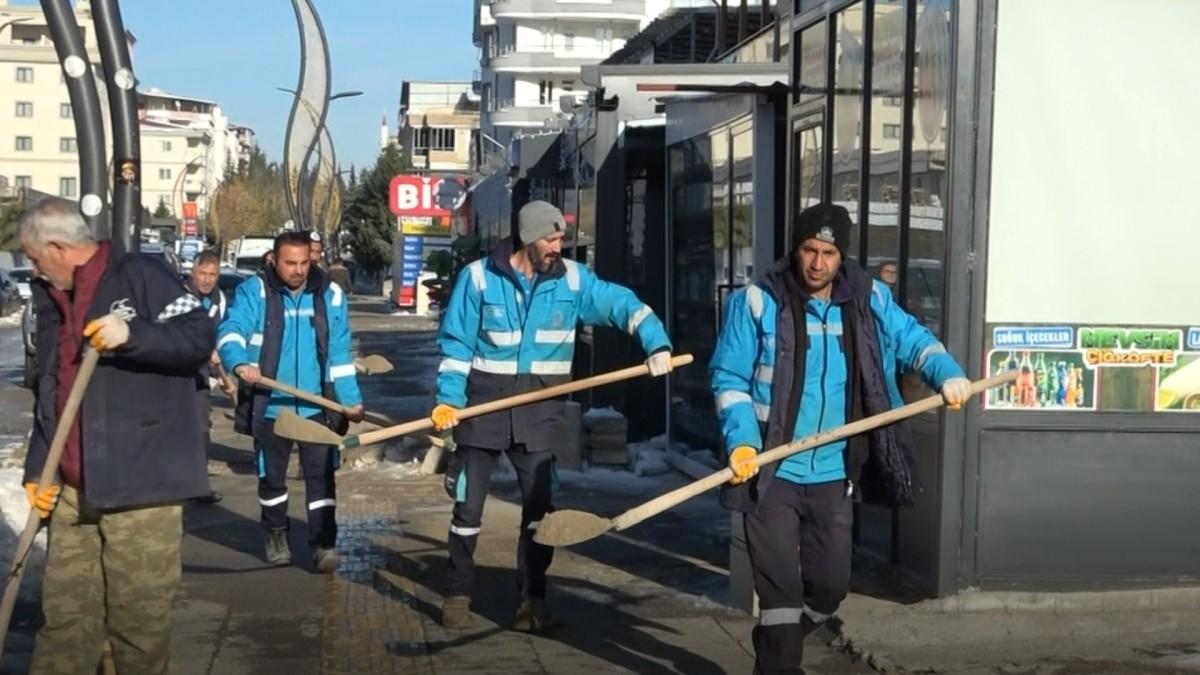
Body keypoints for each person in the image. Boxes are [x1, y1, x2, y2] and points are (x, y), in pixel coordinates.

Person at [708, 203, 972, 674]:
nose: (816, 263)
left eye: (828, 252)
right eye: (809, 249)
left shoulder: (868, 298)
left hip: (833, 473)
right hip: (770, 471)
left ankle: (775, 638)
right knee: (782, 598)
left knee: (829, 590)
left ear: (841, 255)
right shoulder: (757, 301)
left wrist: (946, 374)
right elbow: (729, 378)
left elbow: (913, 339)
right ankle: (779, 650)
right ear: (795, 248)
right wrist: (742, 442)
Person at [430, 200, 676, 631]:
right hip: (482, 407)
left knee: (540, 511)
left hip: (541, 410)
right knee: (468, 509)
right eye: (552, 238)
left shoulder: (574, 280)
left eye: (562, 237)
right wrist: (449, 401)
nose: (559, 246)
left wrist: (656, 344)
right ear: (528, 237)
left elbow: (621, 304)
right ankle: (458, 593)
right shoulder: (478, 279)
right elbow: (456, 347)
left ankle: (532, 599)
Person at [19, 197, 214, 673]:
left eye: (35, 258)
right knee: (65, 625)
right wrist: (37, 469)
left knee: (137, 632)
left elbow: (198, 337)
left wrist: (135, 334)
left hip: (140, 489)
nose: (33, 270)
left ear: (60, 248)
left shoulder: (141, 276)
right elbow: (53, 391)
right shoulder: (51, 299)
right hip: (72, 491)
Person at [218, 231, 364, 573]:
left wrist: (350, 401)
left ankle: (324, 544)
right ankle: (276, 533)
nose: (298, 270)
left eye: (304, 262)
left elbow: (340, 354)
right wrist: (239, 362)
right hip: (271, 406)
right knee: (272, 480)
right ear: (273, 260)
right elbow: (231, 331)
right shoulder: (254, 292)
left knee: (322, 479)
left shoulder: (330, 295)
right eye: (290, 263)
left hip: (316, 407)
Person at [188, 249, 236, 504]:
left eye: (212, 275)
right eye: (202, 274)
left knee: (201, 426)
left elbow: (222, 332)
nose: (207, 279)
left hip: (202, 375)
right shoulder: (180, 296)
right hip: (176, 370)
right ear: (192, 273)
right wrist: (205, 349)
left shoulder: (220, 300)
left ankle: (198, 484)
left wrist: (224, 373)